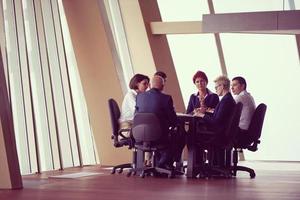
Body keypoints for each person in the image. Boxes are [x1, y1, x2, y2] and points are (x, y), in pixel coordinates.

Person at [135, 75, 178, 168]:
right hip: (159, 136)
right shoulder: (166, 98)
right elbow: (173, 120)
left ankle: (160, 165)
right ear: (163, 87)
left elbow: (136, 115)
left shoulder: (139, 97)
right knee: (178, 135)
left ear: (150, 85)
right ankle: (162, 164)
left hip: (140, 135)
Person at [231, 76, 256, 145]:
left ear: (242, 86)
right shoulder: (248, 96)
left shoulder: (241, 97)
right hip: (246, 132)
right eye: (231, 85)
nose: (232, 88)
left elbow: (227, 109)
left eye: (235, 85)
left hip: (241, 132)